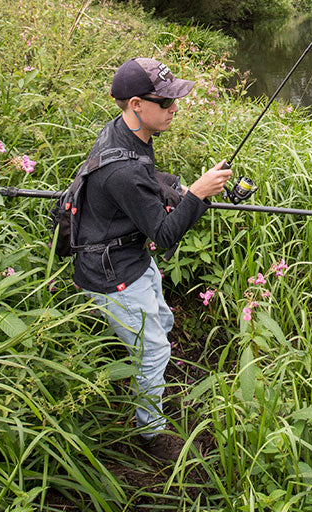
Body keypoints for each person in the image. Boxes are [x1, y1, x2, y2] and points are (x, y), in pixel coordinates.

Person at [73, 57, 230, 464]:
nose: (174, 109)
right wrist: (197, 194)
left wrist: (180, 189)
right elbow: (163, 235)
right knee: (153, 351)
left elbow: (145, 180)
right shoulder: (121, 169)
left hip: (130, 255)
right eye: (166, 103)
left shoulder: (126, 132)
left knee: (161, 322)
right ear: (137, 104)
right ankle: (151, 431)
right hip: (113, 273)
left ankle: (153, 385)